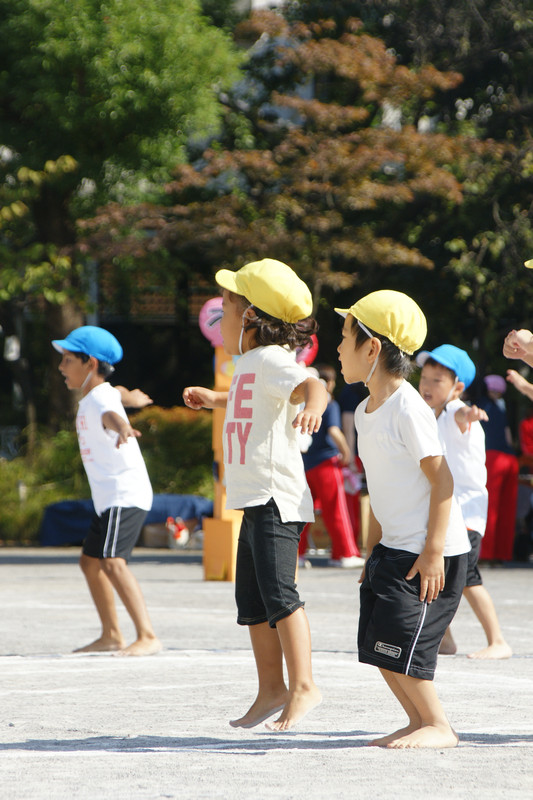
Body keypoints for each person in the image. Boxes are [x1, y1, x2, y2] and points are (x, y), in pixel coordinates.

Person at [183, 258, 328, 732]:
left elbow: (312, 384)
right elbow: (251, 398)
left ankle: (304, 686)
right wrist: (215, 398)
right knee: (252, 602)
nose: (217, 318)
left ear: (249, 316)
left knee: (281, 595)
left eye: (225, 308)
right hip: (253, 500)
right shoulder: (249, 364)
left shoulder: (272, 359)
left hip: (276, 499)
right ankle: (271, 689)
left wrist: (313, 407)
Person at [336, 290, 470, 749]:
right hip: (394, 548)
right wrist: (373, 551)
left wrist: (433, 552)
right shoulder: (364, 411)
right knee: (380, 643)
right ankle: (417, 721)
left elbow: (443, 480)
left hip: (430, 552)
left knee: (403, 642)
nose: (338, 348)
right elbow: (380, 487)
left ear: (372, 348)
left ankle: (438, 724)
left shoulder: (408, 407)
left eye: (345, 337)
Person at [52, 325, 161, 656]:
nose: (61, 367)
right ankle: (111, 635)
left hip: (123, 494)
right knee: (90, 562)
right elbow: (118, 394)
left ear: (91, 364)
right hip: (109, 498)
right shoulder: (101, 393)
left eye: (68, 360)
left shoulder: (100, 399)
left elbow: (111, 415)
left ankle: (147, 636)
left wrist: (124, 426)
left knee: (112, 561)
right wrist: (132, 398)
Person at [416, 345, 512, 659]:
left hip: (466, 513)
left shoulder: (455, 411)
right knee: (435, 573)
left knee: (468, 578)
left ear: (457, 388)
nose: (427, 385)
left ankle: (498, 640)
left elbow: (462, 416)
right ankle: (444, 640)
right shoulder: (434, 415)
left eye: (437, 380)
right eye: (424, 378)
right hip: (448, 513)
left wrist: (470, 414)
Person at [298, 364, 364, 568]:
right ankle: (344, 553)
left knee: (302, 512)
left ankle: (296, 555)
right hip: (327, 462)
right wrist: (347, 454)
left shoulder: (300, 405)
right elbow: (334, 431)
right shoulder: (329, 403)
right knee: (336, 509)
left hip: (305, 463)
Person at [477, 374, 519, 562]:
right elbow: (508, 436)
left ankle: (485, 554)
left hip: (492, 457)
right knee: (506, 509)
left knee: (489, 506)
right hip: (510, 458)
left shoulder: (479, 405)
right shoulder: (502, 408)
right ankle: (502, 554)